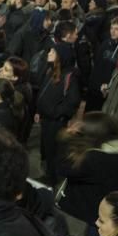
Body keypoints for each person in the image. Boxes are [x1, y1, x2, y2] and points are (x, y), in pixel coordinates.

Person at [56, 112, 118, 236]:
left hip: (90, 214)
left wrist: (67, 138)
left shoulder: (94, 159)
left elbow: (62, 167)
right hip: (111, 210)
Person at [36, 43, 81, 185]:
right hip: (46, 119)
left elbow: (72, 102)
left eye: (53, 52)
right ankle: (49, 176)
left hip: (56, 122)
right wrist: (39, 111)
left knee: (55, 152)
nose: (49, 53)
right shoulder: (51, 70)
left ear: (60, 57)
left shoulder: (69, 76)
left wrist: (55, 112)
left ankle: (54, 181)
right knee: (47, 151)